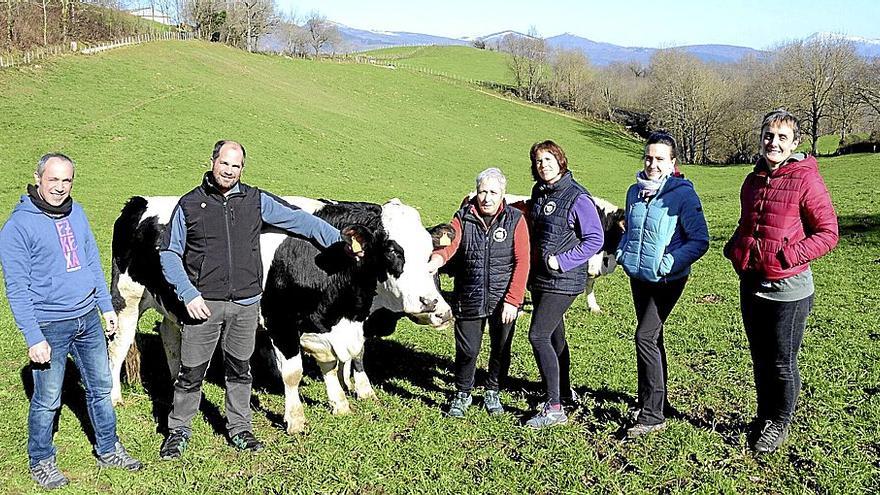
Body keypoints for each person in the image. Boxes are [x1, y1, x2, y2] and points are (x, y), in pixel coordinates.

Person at [158, 140, 356, 459]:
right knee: (191, 370)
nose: (229, 170)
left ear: (242, 169)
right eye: (224, 163)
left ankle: (239, 429)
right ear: (212, 162)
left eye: (236, 166)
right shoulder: (190, 204)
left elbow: (301, 221)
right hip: (203, 305)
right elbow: (169, 253)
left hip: (246, 304)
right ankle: (179, 430)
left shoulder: (255, 200)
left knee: (239, 369)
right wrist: (188, 293)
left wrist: (340, 243)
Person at [0, 153, 143, 490]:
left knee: (100, 389)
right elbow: (16, 288)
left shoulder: (75, 212)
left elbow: (92, 259)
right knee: (48, 399)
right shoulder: (18, 227)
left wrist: (106, 307)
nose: (60, 188)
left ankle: (108, 449)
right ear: (38, 179)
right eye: (53, 180)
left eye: (66, 181)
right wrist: (34, 337)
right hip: (50, 325)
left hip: (87, 321)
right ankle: (41, 460)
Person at [724, 110, 838, 454]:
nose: (773, 143)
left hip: (789, 289)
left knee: (781, 360)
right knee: (760, 357)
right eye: (768, 135)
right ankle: (764, 414)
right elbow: (749, 223)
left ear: (795, 143)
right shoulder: (753, 180)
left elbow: (828, 233)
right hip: (752, 282)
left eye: (782, 137)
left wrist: (786, 257)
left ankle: (779, 422)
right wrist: (736, 248)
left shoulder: (806, 179)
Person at [615, 132, 709, 438]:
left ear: (672, 163)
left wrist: (667, 263)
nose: (652, 164)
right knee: (652, 339)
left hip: (668, 279)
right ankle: (653, 402)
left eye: (659, 159)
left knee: (644, 336)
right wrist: (622, 252)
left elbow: (700, 241)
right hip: (639, 276)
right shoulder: (634, 191)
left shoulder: (683, 194)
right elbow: (630, 230)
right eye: (648, 157)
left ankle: (653, 415)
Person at [427, 168, 530, 417]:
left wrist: (513, 300)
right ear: (476, 192)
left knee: (500, 348)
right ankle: (463, 393)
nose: (487, 198)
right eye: (483, 191)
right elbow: (450, 243)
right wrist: (436, 260)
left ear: (503, 194)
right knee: (468, 350)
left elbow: (522, 261)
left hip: (503, 299)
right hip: (469, 296)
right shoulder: (462, 217)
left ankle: (492, 390)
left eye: (493, 192)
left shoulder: (515, 219)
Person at [523, 140, 604, 428]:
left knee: (538, 335)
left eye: (548, 159)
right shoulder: (540, 193)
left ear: (561, 160)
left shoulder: (577, 197)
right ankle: (563, 393)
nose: (543, 165)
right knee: (555, 338)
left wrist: (563, 260)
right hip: (541, 279)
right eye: (538, 161)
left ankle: (554, 407)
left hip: (564, 279)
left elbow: (595, 238)